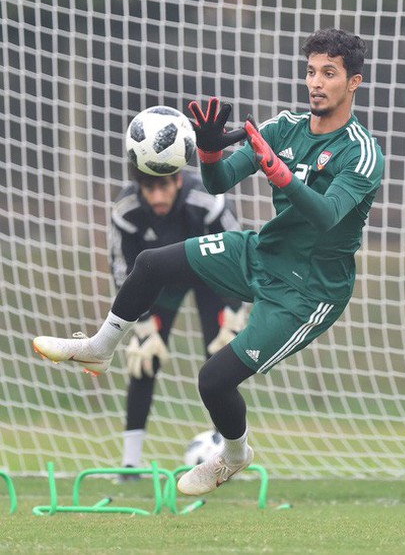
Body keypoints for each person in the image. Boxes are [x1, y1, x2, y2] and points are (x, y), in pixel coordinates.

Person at [33, 28, 384, 496]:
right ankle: (101, 345)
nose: (316, 82)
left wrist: (277, 171)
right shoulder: (284, 128)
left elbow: (326, 216)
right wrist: (211, 148)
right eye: (310, 72)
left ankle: (234, 455)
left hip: (310, 293)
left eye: (329, 73)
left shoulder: (362, 152)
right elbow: (217, 182)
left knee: (214, 380)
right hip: (261, 252)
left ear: (353, 82)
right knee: (152, 263)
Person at [111, 164, 248, 479]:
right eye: (149, 188)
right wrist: (142, 326)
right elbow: (122, 270)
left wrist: (234, 311)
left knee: (221, 366)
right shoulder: (126, 209)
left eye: (164, 187)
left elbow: (240, 254)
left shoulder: (208, 201)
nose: (157, 196)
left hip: (213, 278)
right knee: (144, 360)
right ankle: (130, 465)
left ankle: (226, 456)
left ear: (178, 180)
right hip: (160, 282)